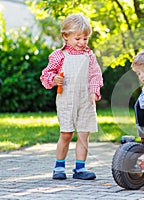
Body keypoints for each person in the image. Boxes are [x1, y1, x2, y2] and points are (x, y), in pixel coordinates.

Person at [40, 14, 103, 180]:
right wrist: (54, 79)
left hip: (85, 101)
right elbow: (46, 74)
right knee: (66, 134)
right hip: (66, 100)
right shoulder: (58, 56)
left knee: (83, 134)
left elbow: (95, 75)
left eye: (85, 38)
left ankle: (80, 168)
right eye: (78, 38)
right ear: (65, 36)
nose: (82, 42)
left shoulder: (89, 56)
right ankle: (59, 166)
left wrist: (94, 92)